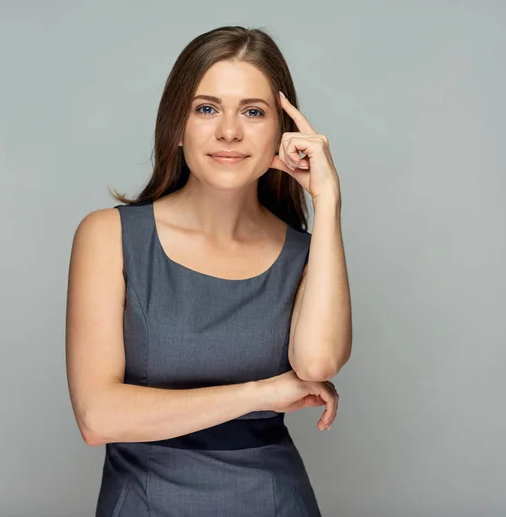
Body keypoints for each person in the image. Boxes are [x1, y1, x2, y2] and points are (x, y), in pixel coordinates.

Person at [65, 25, 352, 517]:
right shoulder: (108, 236)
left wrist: (327, 201)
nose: (229, 131)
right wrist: (260, 393)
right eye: (206, 108)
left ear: (283, 134)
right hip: (145, 503)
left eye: (254, 112)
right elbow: (99, 416)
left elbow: (318, 366)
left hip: (275, 502)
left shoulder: (305, 254)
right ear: (177, 125)